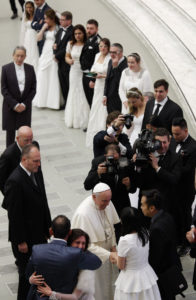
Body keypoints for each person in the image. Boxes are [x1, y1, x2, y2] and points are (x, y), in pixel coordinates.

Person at [2, 144, 51, 300]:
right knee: (26, 275)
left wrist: (47, 226)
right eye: (36, 161)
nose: (39, 164)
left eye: (39, 160)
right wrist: (21, 241)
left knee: (38, 270)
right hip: (25, 239)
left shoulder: (35, 172)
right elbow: (14, 216)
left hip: (38, 233)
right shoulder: (15, 181)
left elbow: (43, 200)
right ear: (24, 160)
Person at [26, 215, 101, 300]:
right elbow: (97, 263)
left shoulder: (37, 250)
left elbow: (28, 274)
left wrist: (30, 279)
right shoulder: (75, 253)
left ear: (51, 231)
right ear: (69, 232)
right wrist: (81, 249)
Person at [72, 183, 120, 300]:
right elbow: (85, 245)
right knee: (98, 290)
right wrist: (108, 255)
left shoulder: (107, 202)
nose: (108, 204)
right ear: (94, 197)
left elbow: (111, 228)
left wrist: (113, 246)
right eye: (104, 201)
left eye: (109, 200)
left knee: (110, 286)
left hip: (109, 255)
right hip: (94, 259)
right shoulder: (83, 214)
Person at [134, 127, 182, 221]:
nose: (162, 146)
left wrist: (157, 168)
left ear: (169, 141)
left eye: (164, 142)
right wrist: (137, 165)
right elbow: (139, 182)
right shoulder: (145, 155)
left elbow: (174, 179)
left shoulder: (176, 158)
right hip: (146, 206)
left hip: (165, 207)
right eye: (159, 142)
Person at [141, 189, 181, 300]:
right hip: (172, 266)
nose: (141, 207)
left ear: (152, 208)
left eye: (142, 205)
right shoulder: (166, 216)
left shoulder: (156, 228)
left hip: (164, 274)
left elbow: (156, 257)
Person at [114, 207, 161, 300]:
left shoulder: (124, 240)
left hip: (130, 278)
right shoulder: (145, 233)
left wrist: (115, 257)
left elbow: (121, 266)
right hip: (146, 274)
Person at [84, 144, 135, 217]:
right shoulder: (98, 162)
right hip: (104, 205)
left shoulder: (126, 163)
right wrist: (97, 173)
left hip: (121, 204)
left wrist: (129, 185)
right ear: (105, 156)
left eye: (115, 157)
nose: (113, 160)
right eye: (110, 157)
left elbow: (133, 190)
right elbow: (87, 185)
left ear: (120, 155)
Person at [1, 46, 36, 147]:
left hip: (25, 107)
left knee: (25, 134)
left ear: (25, 57)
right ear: (13, 56)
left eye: (22, 56)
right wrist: (15, 104)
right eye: (17, 56)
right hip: (10, 107)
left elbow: (33, 89)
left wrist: (25, 104)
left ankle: (25, 154)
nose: (19, 58)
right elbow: (4, 89)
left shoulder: (30, 68)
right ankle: (9, 156)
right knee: (10, 134)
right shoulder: (6, 69)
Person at [170, 117, 196, 255]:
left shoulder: (193, 147)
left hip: (185, 190)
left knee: (185, 217)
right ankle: (177, 240)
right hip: (173, 188)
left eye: (177, 134)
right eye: (173, 133)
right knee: (175, 215)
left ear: (186, 130)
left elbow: (187, 169)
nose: (175, 137)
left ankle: (186, 244)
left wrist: (173, 168)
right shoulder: (173, 141)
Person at [33, 9, 61, 109]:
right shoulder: (46, 28)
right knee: (41, 74)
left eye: (46, 19)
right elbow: (38, 38)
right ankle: (42, 100)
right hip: (45, 51)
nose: (45, 20)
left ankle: (52, 102)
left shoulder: (58, 28)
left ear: (52, 19)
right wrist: (43, 29)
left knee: (52, 74)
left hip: (53, 52)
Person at [86, 38, 111, 148]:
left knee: (102, 109)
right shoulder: (97, 55)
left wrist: (102, 76)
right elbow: (92, 69)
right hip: (97, 86)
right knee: (95, 108)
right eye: (101, 46)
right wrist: (92, 78)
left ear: (108, 47)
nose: (102, 48)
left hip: (105, 86)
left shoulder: (110, 58)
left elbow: (110, 74)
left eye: (105, 46)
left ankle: (103, 131)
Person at [64, 24, 90, 129]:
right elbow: (67, 56)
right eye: (75, 34)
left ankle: (84, 119)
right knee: (73, 91)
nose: (77, 36)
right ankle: (73, 118)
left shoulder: (87, 44)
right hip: (73, 71)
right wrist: (68, 60)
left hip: (83, 71)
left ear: (83, 33)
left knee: (83, 92)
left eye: (79, 33)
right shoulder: (70, 44)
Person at [0, 126, 38, 195]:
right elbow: (1, 179)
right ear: (17, 139)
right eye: (26, 140)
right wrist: (9, 196)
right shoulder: (8, 155)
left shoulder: (34, 145)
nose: (29, 143)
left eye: (31, 140)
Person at [53, 11, 73, 109]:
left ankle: (69, 104)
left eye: (62, 20)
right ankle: (66, 102)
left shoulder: (72, 32)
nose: (60, 21)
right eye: (60, 19)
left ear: (69, 21)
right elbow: (56, 44)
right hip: (60, 62)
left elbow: (67, 48)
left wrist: (57, 56)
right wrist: (54, 51)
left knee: (68, 83)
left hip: (67, 62)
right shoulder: (60, 31)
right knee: (63, 84)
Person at [80, 19, 101, 108]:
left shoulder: (98, 42)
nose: (88, 30)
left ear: (97, 29)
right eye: (87, 28)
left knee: (92, 99)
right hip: (85, 73)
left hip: (91, 74)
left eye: (91, 28)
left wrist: (93, 79)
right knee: (88, 98)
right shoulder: (87, 40)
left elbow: (97, 63)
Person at [103, 43, 127, 113]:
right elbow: (107, 79)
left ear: (121, 52)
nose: (112, 54)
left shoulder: (126, 64)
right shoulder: (110, 61)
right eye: (110, 52)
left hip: (120, 98)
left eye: (114, 52)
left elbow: (120, 82)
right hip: (110, 97)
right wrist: (105, 95)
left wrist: (115, 67)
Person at [20, 1, 39, 71]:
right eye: (27, 7)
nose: (28, 9)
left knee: (34, 51)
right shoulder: (25, 17)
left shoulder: (36, 16)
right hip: (28, 37)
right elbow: (23, 30)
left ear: (33, 8)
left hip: (35, 35)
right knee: (28, 52)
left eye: (30, 7)